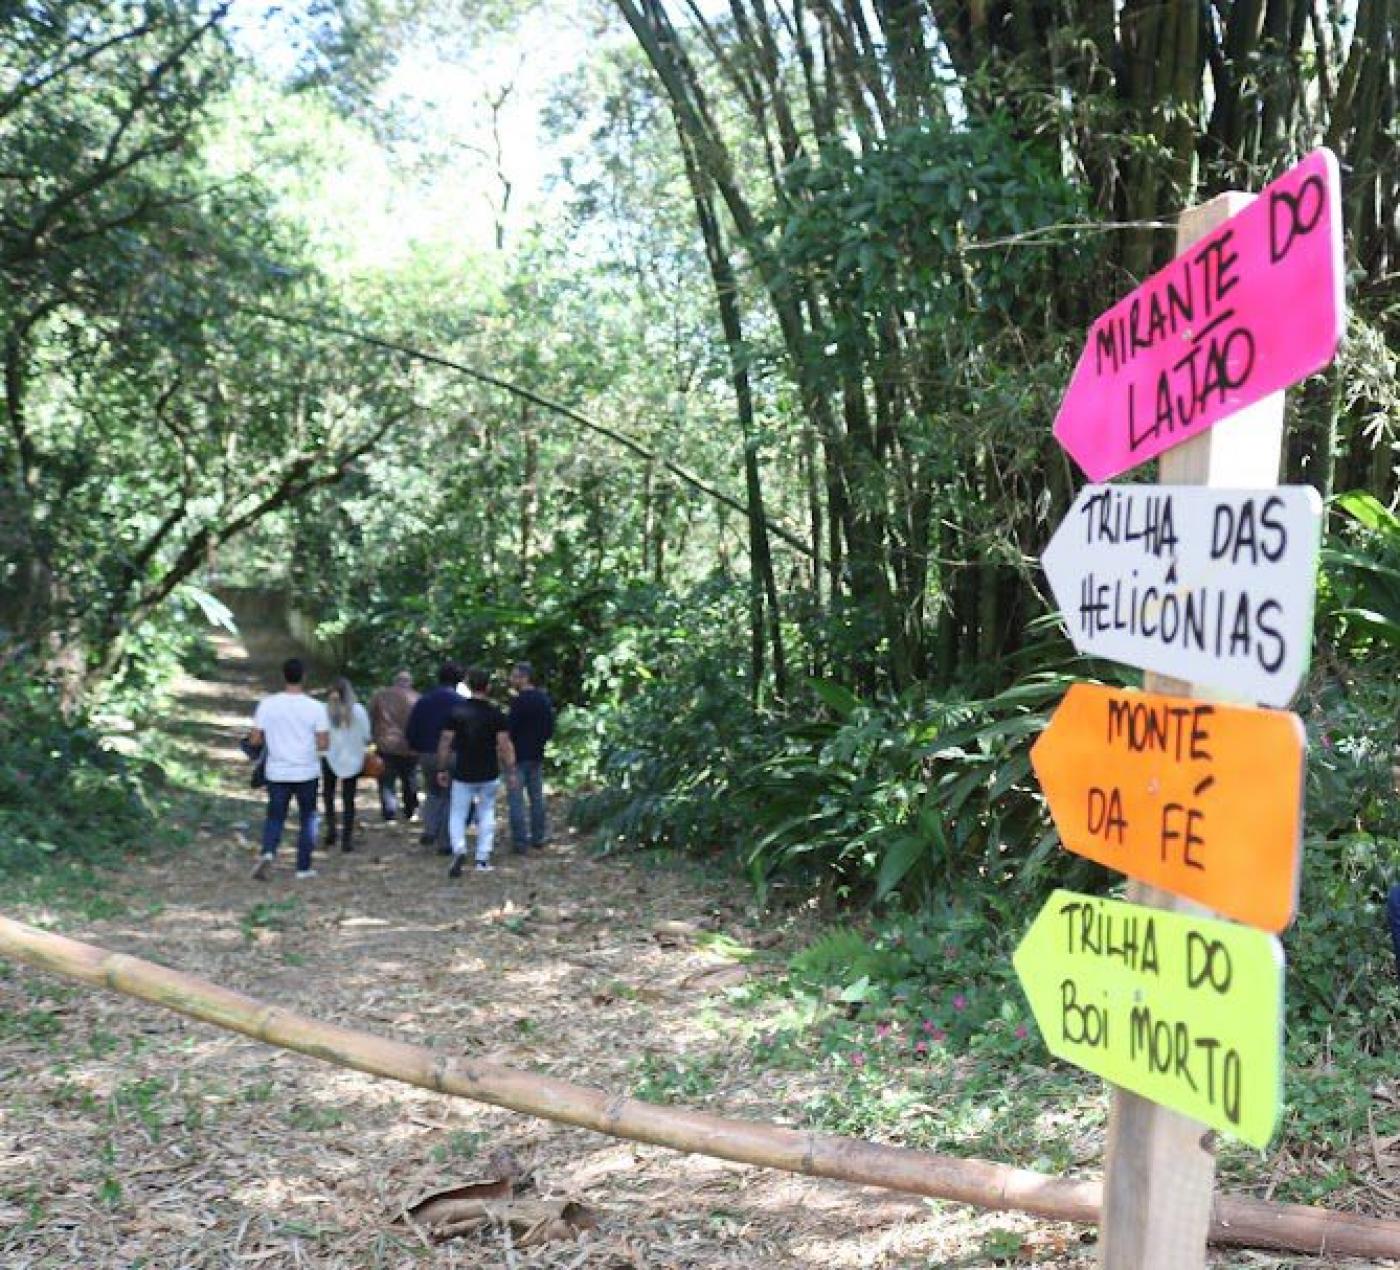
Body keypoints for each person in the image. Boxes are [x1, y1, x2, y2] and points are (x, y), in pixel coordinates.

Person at [249, 658, 329, 880]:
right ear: (304, 677)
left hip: (277, 770)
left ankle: (268, 851)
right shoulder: (316, 708)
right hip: (306, 771)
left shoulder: (268, 704)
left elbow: (255, 739)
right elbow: (323, 744)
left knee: (275, 816)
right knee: (308, 817)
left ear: (283, 676)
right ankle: (303, 867)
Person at [438, 667, 516, 876]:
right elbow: (504, 744)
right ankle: (482, 857)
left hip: (463, 769)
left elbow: (446, 740)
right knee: (487, 812)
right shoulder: (496, 714)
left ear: (469, 686)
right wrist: (511, 770)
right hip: (488, 770)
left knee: (458, 812)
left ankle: (459, 848)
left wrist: (442, 767)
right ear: (488, 687)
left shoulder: (456, 712)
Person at [406, 660, 466, 853]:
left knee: (432, 791)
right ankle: (445, 841)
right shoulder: (461, 703)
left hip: (427, 753)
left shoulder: (424, 701)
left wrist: (417, 747)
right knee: (450, 795)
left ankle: (430, 828)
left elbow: (411, 729)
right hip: (454, 754)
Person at [507, 661, 555, 854]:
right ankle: (538, 836)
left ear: (524, 678)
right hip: (536, 754)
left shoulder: (519, 702)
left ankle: (520, 841)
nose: (511, 680)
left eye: (515, 676)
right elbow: (549, 728)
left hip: (518, 756)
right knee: (536, 798)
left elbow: (509, 730)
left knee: (516, 799)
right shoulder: (543, 700)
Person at [322, 677, 371, 852]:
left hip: (329, 757)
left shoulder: (325, 711)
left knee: (328, 795)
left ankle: (331, 830)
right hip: (353, 758)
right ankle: (347, 839)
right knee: (348, 799)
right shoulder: (358, 711)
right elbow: (366, 736)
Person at [370, 670, 419, 823]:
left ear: (395, 681)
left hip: (386, 744)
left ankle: (389, 812)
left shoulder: (380, 696)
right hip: (410, 746)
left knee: (386, 780)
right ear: (409, 683)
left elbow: (372, 717)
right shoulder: (417, 698)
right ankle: (410, 810)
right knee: (410, 779)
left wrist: (374, 736)